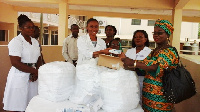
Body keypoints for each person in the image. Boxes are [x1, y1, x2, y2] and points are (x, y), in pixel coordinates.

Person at [121, 19, 179, 112]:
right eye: (154, 32)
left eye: (159, 33)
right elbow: (144, 65)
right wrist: (124, 65)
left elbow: (156, 67)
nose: (156, 35)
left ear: (167, 34)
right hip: (148, 97)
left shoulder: (169, 51)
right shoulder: (155, 51)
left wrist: (133, 63)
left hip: (161, 97)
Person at [3, 14, 42, 112]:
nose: (32, 29)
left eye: (32, 27)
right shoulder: (16, 42)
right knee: (18, 104)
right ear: (21, 28)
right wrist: (35, 71)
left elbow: (39, 58)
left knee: (32, 104)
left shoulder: (35, 42)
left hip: (33, 77)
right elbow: (15, 62)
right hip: (20, 75)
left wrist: (36, 72)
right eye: (28, 27)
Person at [125, 30, 151, 105]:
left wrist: (134, 66)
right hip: (130, 80)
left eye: (140, 37)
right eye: (135, 37)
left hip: (143, 81)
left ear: (145, 39)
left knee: (143, 101)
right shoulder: (129, 51)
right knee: (132, 101)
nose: (137, 39)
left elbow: (148, 67)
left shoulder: (150, 52)